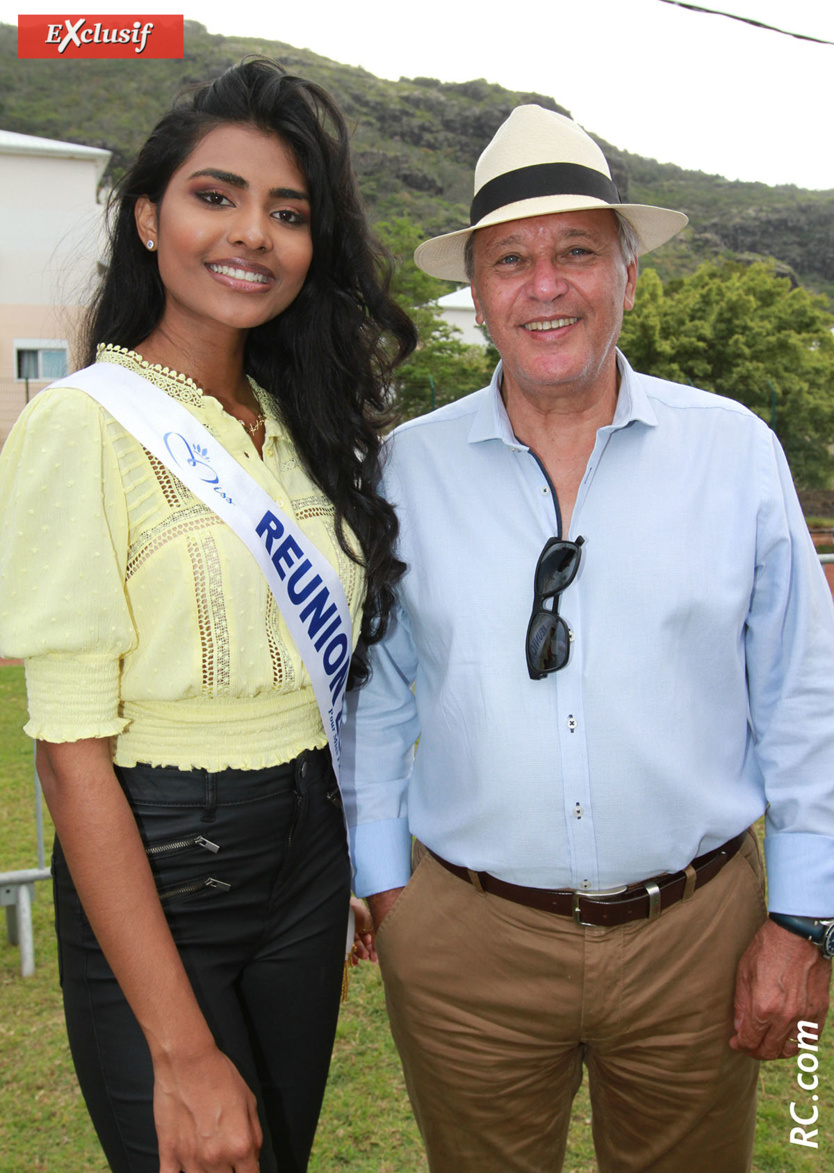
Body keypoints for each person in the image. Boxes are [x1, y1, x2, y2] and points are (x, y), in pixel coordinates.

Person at [340, 104, 834, 1172]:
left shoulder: (733, 453)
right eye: (510, 259)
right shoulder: (403, 473)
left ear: (629, 275)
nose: (545, 284)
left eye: (577, 252)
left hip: (696, 936)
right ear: (478, 292)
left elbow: (803, 694)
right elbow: (380, 689)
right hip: (469, 939)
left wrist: (803, 919)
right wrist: (390, 891)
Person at [0, 59, 414, 1173]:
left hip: (306, 856)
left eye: (289, 212)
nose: (254, 235)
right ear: (148, 218)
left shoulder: (296, 425)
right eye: (215, 196)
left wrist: (326, 854)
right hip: (163, 864)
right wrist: (177, 1052)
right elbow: (69, 758)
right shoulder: (82, 426)